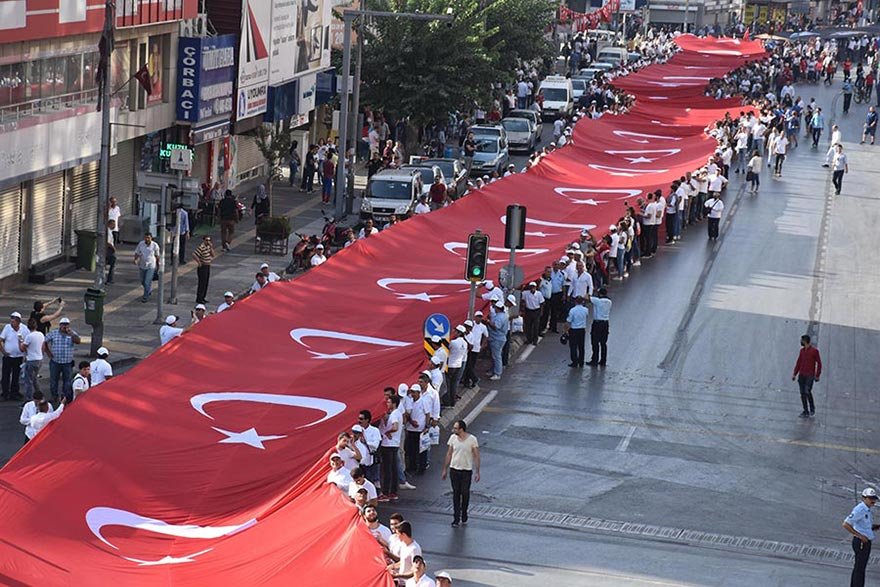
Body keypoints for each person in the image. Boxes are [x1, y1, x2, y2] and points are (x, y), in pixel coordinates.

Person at [441, 419, 480, 528]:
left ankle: (464, 512)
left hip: (466, 470)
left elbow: (476, 455)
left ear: (461, 429)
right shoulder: (453, 438)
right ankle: (456, 517)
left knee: (465, 493)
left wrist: (477, 471)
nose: (453, 430)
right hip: (454, 469)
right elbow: (449, 454)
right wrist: (445, 469)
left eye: (456, 428)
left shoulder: (472, 439)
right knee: (456, 493)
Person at [843, 487, 880, 587]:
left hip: (865, 541)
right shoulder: (860, 509)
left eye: (874, 498)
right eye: (870, 498)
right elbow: (846, 524)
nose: (873, 501)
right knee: (859, 568)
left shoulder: (867, 510)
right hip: (861, 542)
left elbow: (864, 526)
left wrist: (875, 527)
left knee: (861, 567)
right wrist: (859, 536)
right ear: (864, 498)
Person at [43, 317, 81, 402]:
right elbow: (44, 341)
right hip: (55, 361)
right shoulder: (54, 333)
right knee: (53, 380)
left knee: (67, 381)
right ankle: (54, 396)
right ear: (60, 325)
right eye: (63, 324)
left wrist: (71, 334)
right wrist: (48, 352)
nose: (65, 326)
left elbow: (78, 341)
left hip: (67, 362)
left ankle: (65, 397)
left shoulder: (72, 333)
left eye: (66, 324)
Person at [379, 395, 403, 502]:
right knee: (393, 469)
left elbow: (395, 427)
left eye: (388, 402)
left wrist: (387, 432)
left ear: (393, 403)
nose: (387, 404)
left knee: (387, 469)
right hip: (394, 444)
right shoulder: (398, 414)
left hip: (388, 445)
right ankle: (393, 492)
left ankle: (385, 492)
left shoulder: (394, 414)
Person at [792, 334, 822, 417]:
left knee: (807, 391)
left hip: (810, 375)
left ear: (805, 341)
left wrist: (817, 375)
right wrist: (795, 373)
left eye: (802, 340)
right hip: (802, 374)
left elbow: (819, 363)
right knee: (802, 393)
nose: (801, 342)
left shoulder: (814, 351)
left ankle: (812, 409)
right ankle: (805, 410)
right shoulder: (802, 351)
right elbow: (798, 363)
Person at [1, 311, 29, 401]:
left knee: (16, 376)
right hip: (8, 356)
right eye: (11, 321)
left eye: (13, 322)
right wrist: (3, 351)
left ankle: (14, 392)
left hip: (19, 356)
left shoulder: (24, 329)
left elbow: (28, 342)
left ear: (18, 322)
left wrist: (26, 354)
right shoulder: (7, 328)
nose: (12, 323)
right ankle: (5, 393)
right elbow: (1, 339)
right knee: (5, 375)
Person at [19, 318, 44, 400]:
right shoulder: (40, 334)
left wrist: (20, 341)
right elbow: (43, 346)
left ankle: (28, 399)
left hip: (31, 360)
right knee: (35, 379)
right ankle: (40, 395)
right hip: (39, 359)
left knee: (28, 381)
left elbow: (22, 348)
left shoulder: (29, 336)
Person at [585, 288, 611, 366]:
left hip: (597, 323)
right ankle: (603, 360)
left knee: (595, 342)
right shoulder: (609, 302)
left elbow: (586, 297)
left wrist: (589, 292)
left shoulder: (597, 301)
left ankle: (594, 360)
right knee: (603, 343)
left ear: (600, 294)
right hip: (605, 323)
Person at [133, 232, 160, 303]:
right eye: (146, 238)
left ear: (151, 238)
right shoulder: (141, 244)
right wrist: (135, 259)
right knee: (142, 281)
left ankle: (145, 296)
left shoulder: (155, 245)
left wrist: (158, 266)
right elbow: (137, 253)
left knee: (147, 281)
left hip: (151, 265)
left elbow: (157, 256)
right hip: (142, 265)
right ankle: (148, 290)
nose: (147, 239)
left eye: (148, 238)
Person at [445, 325, 468, 407]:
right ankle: (453, 401)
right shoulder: (465, 343)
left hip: (451, 365)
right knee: (455, 384)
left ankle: (448, 401)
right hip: (459, 365)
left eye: (456, 331)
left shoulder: (453, 342)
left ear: (459, 333)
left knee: (448, 384)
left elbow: (448, 349)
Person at [564, 296, 588, 368]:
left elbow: (569, 321)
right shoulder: (586, 310)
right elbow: (586, 316)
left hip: (574, 330)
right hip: (582, 329)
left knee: (573, 346)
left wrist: (565, 330)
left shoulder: (572, 310)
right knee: (581, 346)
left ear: (575, 302)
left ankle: (574, 361)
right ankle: (581, 361)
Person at [487, 300, 508, 381]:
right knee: (495, 355)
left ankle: (497, 373)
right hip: (498, 338)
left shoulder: (500, 317)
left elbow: (496, 326)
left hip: (497, 338)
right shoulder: (502, 315)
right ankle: (493, 370)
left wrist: (488, 322)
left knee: (497, 356)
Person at [192, 235, 216, 305]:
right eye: (206, 240)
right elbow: (194, 254)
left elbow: (213, 255)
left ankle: (203, 297)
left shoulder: (208, 247)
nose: (208, 241)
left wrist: (211, 247)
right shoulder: (201, 247)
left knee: (206, 282)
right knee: (202, 283)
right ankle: (199, 298)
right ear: (203, 240)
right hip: (203, 266)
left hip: (208, 266)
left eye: (209, 240)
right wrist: (199, 262)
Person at [521, 281, 544, 345]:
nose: (532, 288)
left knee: (536, 326)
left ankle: (535, 340)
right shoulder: (526, 293)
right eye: (531, 287)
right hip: (528, 311)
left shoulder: (539, 294)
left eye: (533, 287)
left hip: (536, 311)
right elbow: (522, 299)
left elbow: (541, 303)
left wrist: (541, 312)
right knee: (528, 326)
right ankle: (529, 339)